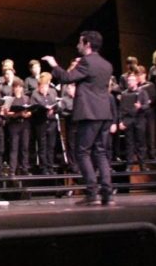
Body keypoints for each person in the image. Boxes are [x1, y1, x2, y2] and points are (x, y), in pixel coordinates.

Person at [42, 31, 115, 206]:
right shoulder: (107, 64)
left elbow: (67, 78)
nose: (77, 46)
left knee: (82, 152)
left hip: (89, 113)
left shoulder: (87, 62)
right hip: (104, 113)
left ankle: (91, 193)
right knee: (101, 152)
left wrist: (54, 64)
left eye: (80, 43)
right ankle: (107, 193)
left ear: (87, 43)